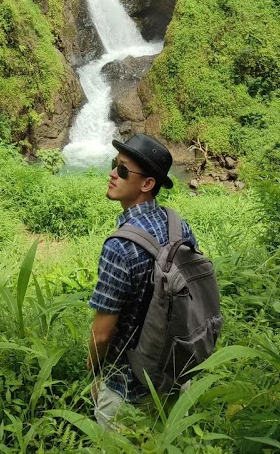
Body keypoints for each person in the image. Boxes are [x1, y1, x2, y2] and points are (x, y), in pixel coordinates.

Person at [87, 133, 198, 429]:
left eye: (123, 169)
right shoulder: (179, 226)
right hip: (176, 376)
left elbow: (101, 335)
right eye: (114, 164)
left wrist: (93, 373)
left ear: (147, 184)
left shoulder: (119, 245)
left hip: (127, 390)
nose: (112, 173)